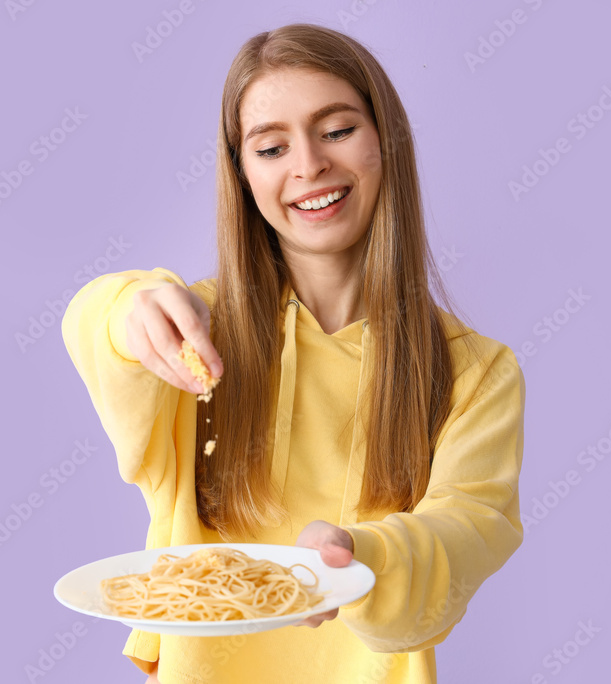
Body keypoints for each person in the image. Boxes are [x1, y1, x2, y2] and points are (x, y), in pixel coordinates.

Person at [61, 22, 526, 684]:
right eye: (272, 147)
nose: (308, 165)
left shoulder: (476, 372)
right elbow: (98, 327)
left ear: (385, 141)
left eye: (337, 131)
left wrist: (358, 557)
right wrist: (130, 309)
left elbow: (469, 527)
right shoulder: (199, 332)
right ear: (243, 174)